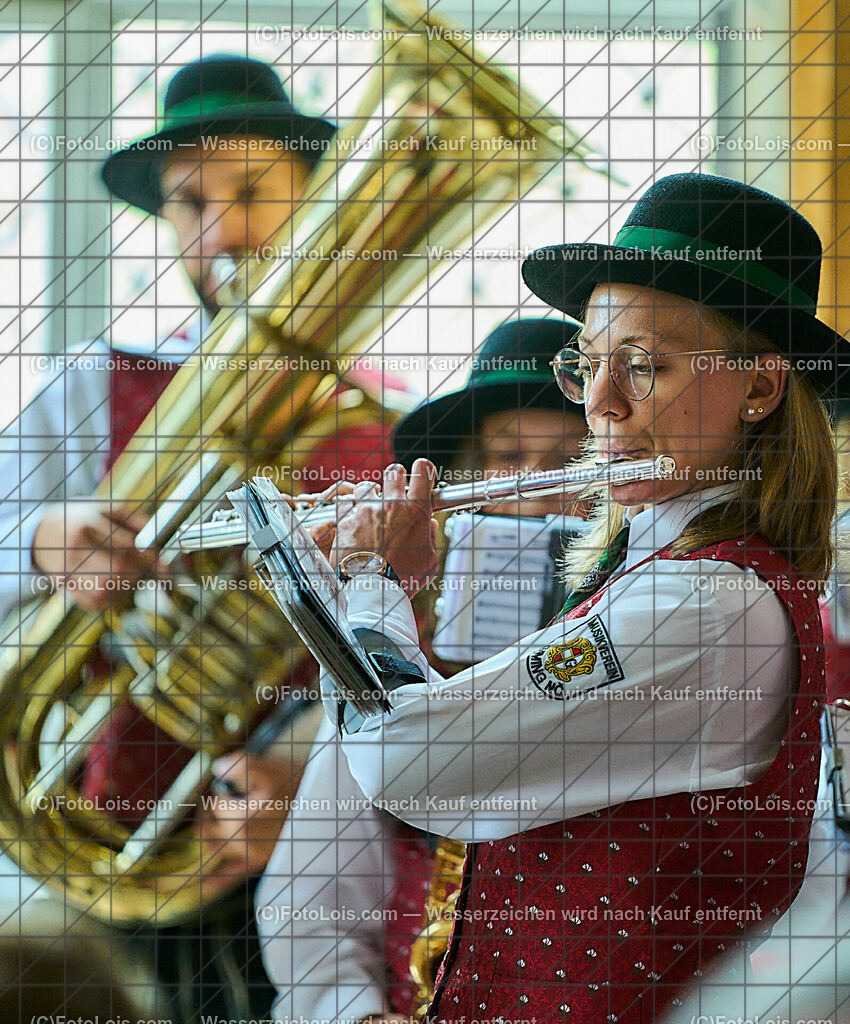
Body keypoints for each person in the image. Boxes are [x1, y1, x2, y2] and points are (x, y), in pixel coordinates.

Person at [314, 172, 842, 1022]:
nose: (601, 407)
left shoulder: (705, 606)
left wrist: (374, 584)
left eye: (643, 367)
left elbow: (403, 763)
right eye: (587, 366)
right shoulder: (659, 574)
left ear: (759, 388)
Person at [0, 54, 395, 1022]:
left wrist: (310, 781)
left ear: (315, 203)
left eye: (253, 192)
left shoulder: (399, 427)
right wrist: (44, 540)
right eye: (188, 203)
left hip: (325, 873)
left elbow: (429, 671)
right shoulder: (98, 380)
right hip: (111, 844)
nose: (221, 231)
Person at [256, 318, 589, 1024]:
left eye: (570, 457)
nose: (538, 485)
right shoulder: (407, 640)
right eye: (509, 457)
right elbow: (309, 892)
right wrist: (352, 1012)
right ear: (463, 479)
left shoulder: (628, 631)